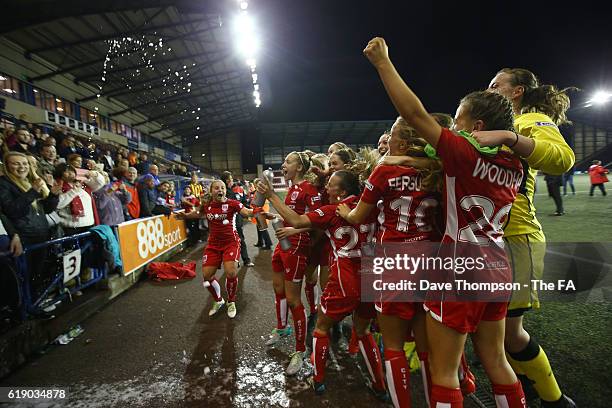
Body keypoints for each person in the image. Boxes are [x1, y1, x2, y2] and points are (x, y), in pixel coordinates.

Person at [363, 37, 527, 407]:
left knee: (445, 371)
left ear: (477, 125)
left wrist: (383, 64)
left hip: (458, 267)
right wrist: (411, 163)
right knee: (498, 361)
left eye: (460, 119)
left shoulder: (463, 152)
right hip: (498, 263)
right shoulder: (515, 164)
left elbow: (416, 114)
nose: (454, 126)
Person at [474, 68, 577, 407]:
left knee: (509, 335)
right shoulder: (496, 123)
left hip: (517, 239)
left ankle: (556, 400)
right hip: (491, 240)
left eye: (496, 84)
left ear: (517, 91)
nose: (489, 88)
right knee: (492, 332)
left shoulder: (530, 118)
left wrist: (509, 137)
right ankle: (525, 383)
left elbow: (563, 159)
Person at [338, 116, 443, 407]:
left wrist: (345, 211)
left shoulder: (384, 171)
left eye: (393, 134)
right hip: (431, 257)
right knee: (427, 348)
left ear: (404, 142)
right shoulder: (439, 167)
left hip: (393, 259)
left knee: (394, 347)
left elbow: (358, 217)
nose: (388, 139)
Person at [258, 170, 387, 398]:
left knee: (321, 328)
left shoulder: (332, 210)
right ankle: (380, 385)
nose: (326, 188)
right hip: (371, 276)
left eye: (331, 185)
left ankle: (317, 380)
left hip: (345, 278)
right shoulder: (371, 206)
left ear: (342, 191)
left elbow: (297, 219)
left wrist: (270, 195)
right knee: (363, 330)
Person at [262, 151, 322, 376]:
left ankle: (300, 350)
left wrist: (295, 228)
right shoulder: (292, 189)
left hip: (297, 246)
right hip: (283, 242)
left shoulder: (309, 189)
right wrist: (275, 219)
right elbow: (292, 214)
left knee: (295, 300)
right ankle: (282, 328)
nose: (283, 165)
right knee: (278, 289)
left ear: (299, 167)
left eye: (287, 161)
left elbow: (317, 221)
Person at [177, 180, 255, 318]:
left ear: (225, 190)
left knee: (231, 272)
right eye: (217, 188)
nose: (220, 190)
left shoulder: (233, 204)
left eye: (223, 188)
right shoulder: (207, 205)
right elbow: (198, 213)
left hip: (231, 242)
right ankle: (218, 300)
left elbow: (246, 212)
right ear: (211, 191)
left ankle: (231, 301)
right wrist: (186, 216)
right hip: (213, 244)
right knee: (207, 277)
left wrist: (256, 212)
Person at [0, 152, 61, 300]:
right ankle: (27, 311)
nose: (22, 167)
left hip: (41, 235)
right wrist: (33, 191)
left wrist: (53, 195)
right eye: (16, 164)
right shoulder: (3, 184)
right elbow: (12, 210)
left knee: (36, 274)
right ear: (7, 166)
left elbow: (46, 209)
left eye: (24, 164)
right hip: (24, 237)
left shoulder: (30, 182)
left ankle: (36, 303)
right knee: (24, 277)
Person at [54, 164, 105, 236]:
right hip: (70, 228)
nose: (70, 173)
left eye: (72, 171)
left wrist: (94, 174)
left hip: (89, 225)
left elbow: (100, 183)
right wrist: (74, 191)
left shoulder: (83, 185)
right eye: (66, 171)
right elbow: (58, 204)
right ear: (60, 174)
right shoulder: (57, 186)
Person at [221, 171, 254, 268]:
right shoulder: (224, 192)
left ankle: (244, 259)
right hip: (228, 223)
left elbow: (242, 202)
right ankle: (236, 260)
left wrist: (248, 207)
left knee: (239, 239)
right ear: (227, 180)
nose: (232, 181)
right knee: (232, 242)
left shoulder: (235, 190)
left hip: (236, 221)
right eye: (230, 179)